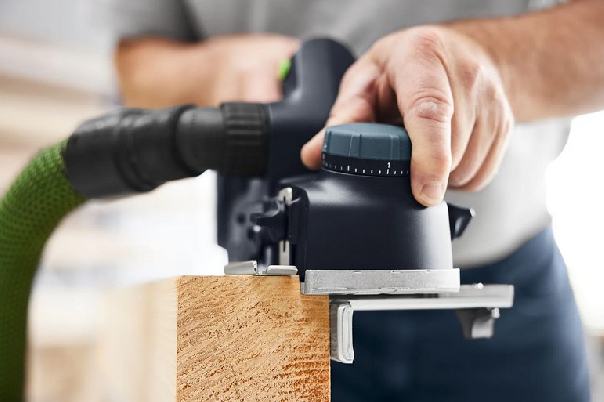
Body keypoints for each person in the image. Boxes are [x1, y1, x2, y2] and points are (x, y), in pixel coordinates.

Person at [102, 0, 604, 400]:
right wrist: (215, 70)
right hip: (265, 293)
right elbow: (134, 62)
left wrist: (493, 58)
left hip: (508, 285)